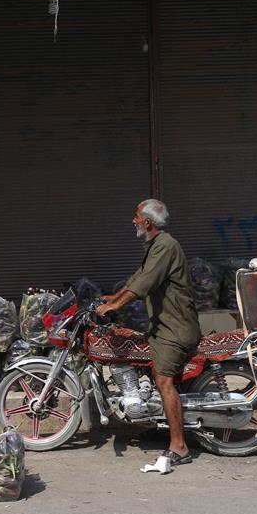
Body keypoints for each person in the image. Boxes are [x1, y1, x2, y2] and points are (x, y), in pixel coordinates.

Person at [96, 199, 200, 466]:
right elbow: (137, 277)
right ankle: (157, 422)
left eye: (136, 217)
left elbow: (143, 284)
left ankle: (179, 446)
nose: (133, 221)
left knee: (164, 380)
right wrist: (111, 298)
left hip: (174, 328)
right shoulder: (156, 246)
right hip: (163, 325)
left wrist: (114, 306)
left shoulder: (165, 246)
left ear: (148, 223)